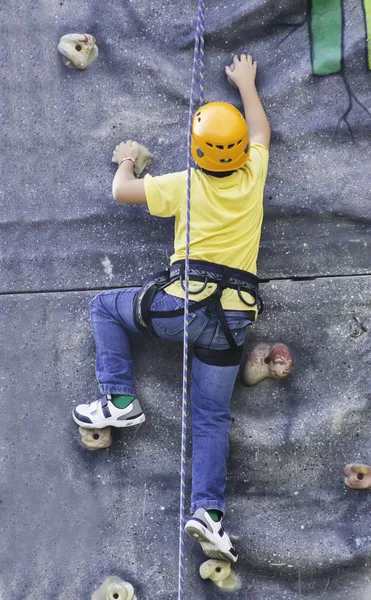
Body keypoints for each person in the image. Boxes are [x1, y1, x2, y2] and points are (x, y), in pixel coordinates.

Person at [73, 54, 271, 563]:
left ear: (196, 150)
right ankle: (209, 514)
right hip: (231, 325)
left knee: (105, 307)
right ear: (238, 152)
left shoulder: (183, 183)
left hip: (181, 308)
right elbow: (261, 132)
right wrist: (247, 85)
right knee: (211, 418)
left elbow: (122, 191)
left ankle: (119, 399)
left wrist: (128, 156)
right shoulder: (253, 177)